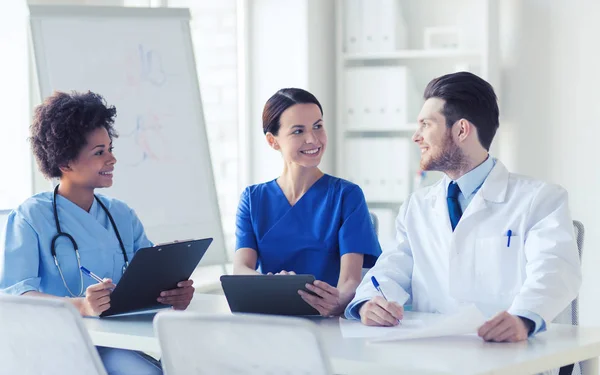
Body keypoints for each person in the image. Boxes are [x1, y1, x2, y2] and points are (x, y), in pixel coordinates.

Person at [345, 72, 582, 342]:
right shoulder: (417, 206)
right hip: (432, 352)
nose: (416, 137)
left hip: (508, 354)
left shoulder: (540, 199)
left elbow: (556, 270)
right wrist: (369, 303)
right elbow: (390, 269)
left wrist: (524, 318)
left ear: (461, 130)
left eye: (425, 124)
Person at [0, 91, 195, 374]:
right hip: (57, 345)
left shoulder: (121, 214)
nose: (112, 159)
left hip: (117, 342)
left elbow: (149, 276)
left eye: (110, 149)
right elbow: (15, 296)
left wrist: (172, 294)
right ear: (65, 163)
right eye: (99, 153)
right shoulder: (30, 217)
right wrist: (81, 306)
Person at [234, 88, 382, 317]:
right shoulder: (253, 199)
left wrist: (337, 303)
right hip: (272, 318)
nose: (313, 139)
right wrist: (274, 286)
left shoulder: (346, 196)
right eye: (298, 131)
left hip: (327, 322)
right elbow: (241, 269)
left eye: (318, 126)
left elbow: (351, 280)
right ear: (273, 141)